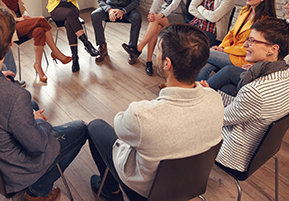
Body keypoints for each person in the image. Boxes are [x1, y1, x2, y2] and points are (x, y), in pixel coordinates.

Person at [0, 6, 87, 201]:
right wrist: (38, 122)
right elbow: (38, 146)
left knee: (30, 110)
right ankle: (37, 192)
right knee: (80, 128)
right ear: (11, 42)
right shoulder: (15, 96)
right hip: (11, 173)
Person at [87, 23, 224, 200]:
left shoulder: (141, 115)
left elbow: (119, 128)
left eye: (158, 50)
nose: (155, 55)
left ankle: (110, 189)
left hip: (143, 191)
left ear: (167, 63)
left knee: (95, 126)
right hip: (190, 185)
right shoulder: (216, 99)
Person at [202, 17, 289, 173]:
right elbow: (246, 107)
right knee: (225, 86)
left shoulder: (256, 91)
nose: (246, 45)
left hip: (235, 153)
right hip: (257, 142)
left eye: (252, 41)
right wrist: (211, 93)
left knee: (183, 121)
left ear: (273, 49)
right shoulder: (287, 77)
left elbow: (219, 120)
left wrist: (204, 97)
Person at [204, 0, 289, 101]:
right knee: (227, 87)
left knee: (228, 71)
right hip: (271, 78)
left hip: (287, 94)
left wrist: (259, 72)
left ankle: (198, 97)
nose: (285, 6)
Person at [195, 0, 277, 84]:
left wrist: (225, 50)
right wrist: (221, 47)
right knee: (205, 66)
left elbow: (251, 47)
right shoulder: (245, 11)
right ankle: (196, 94)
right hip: (229, 52)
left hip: (243, 58)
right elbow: (232, 32)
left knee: (204, 53)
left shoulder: (266, 21)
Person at [122, 0, 187, 76]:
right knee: (155, 29)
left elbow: (175, 4)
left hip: (178, 15)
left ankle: (139, 48)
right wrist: (151, 14)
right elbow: (156, 2)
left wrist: (160, 15)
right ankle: (148, 61)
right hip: (165, 14)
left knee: (156, 21)